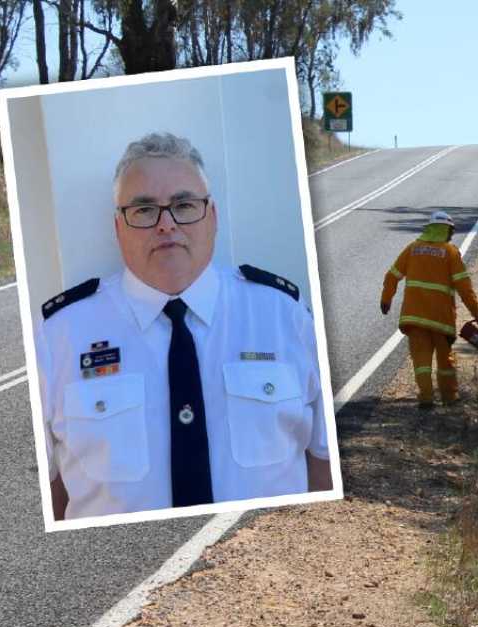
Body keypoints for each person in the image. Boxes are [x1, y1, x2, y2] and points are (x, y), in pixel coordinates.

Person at [35, 131, 332, 521]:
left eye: (184, 205)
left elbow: (324, 461)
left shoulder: (285, 316)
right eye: (143, 210)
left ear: (212, 216)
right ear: (118, 227)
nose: (166, 225)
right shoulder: (58, 335)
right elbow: (50, 490)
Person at [380, 210, 478, 409]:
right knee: (445, 360)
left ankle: (426, 398)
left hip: (414, 318)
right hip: (441, 319)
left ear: (430, 229)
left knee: (421, 361)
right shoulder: (450, 252)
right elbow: (465, 289)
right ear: (446, 231)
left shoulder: (412, 249)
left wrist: (386, 299)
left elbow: (392, 276)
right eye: (451, 232)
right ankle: (450, 397)